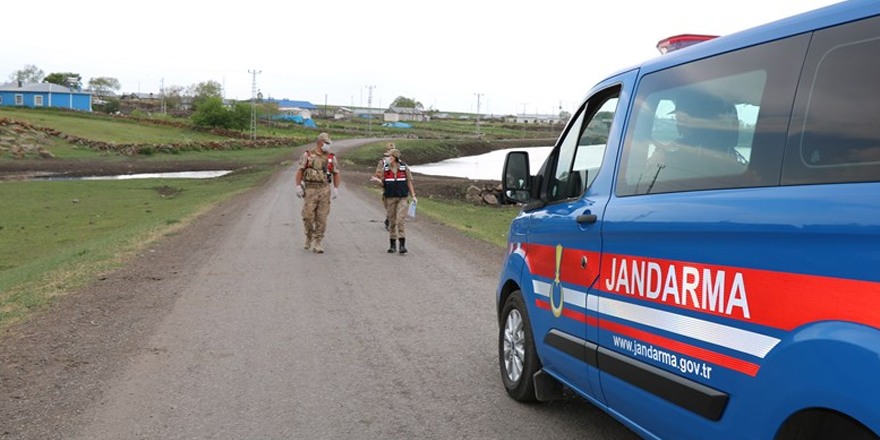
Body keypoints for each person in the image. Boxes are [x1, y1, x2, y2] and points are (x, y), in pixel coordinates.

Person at [295, 132, 340, 253]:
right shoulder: (308, 155)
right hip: (310, 189)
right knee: (308, 216)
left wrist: (336, 188)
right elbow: (300, 170)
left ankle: (318, 241)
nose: (328, 146)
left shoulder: (331, 158)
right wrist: (298, 186)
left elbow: (336, 173)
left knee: (322, 218)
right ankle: (309, 235)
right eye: (326, 143)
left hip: (324, 189)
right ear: (320, 143)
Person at [374, 147, 416, 254]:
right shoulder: (385, 169)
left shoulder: (404, 168)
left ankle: (402, 245)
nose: (387, 158)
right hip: (390, 198)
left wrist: (413, 195)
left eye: (389, 156)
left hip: (402, 197)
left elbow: (409, 182)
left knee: (400, 220)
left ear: (395, 158)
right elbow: (383, 184)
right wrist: (378, 181)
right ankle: (392, 245)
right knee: (392, 221)